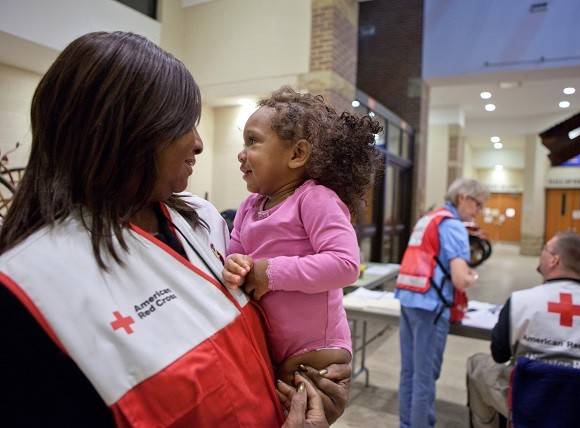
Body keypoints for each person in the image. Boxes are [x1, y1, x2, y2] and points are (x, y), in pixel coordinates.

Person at [0, 31, 348, 427]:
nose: (199, 143)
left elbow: (246, 361)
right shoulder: (29, 293)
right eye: (183, 123)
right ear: (124, 133)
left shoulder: (203, 222)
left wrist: (304, 392)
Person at [222, 86, 382, 388]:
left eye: (252, 141)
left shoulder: (315, 199)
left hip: (316, 350)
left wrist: (270, 273)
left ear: (297, 154)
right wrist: (235, 265)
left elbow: (345, 264)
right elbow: (234, 253)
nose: (241, 154)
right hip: (269, 346)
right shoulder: (248, 207)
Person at [466, 231, 580, 428]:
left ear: (554, 260)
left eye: (545, 248)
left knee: (476, 365)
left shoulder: (521, 301)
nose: (541, 253)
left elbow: (499, 354)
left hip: (529, 403)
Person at [395, 177, 488, 428]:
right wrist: (472, 276)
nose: (478, 211)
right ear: (463, 198)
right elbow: (460, 279)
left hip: (408, 299)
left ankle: (407, 423)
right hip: (431, 306)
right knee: (424, 377)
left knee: (409, 372)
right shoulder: (454, 225)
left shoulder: (428, 218)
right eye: (478, 204)